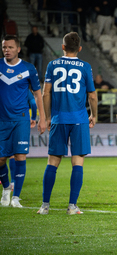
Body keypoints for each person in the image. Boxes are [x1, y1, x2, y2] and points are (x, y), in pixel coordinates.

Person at [37, 32, 98, 215]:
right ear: (79, 48)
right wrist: (94, 115)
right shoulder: (85, 67)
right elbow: (92, 95)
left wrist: (48, 117)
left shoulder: (52, 65)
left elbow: (45, 93)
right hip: (79, 119)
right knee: (77, 162)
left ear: (62, 47)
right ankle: (72, 206)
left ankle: (45, 206)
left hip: (59, 119)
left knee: (52, 162)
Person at [0, 35, 46, 207]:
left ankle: (16, 197)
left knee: (20, 156)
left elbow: (37, 94)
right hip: (2, 120)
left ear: (18, 49)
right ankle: (6, 188)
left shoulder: (28, 68)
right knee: (1, 159)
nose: (7, 50)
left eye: (10, 47)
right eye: (4, 47)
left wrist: (42, 118)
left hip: (21, 119)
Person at [8, 90, 37, 191]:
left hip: (5, 120)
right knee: (18, 154)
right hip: (20, 120)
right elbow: (33, 103)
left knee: (8, 153)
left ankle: (10, 181)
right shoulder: (23, 87)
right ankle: (14, 181)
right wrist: (33, 117)